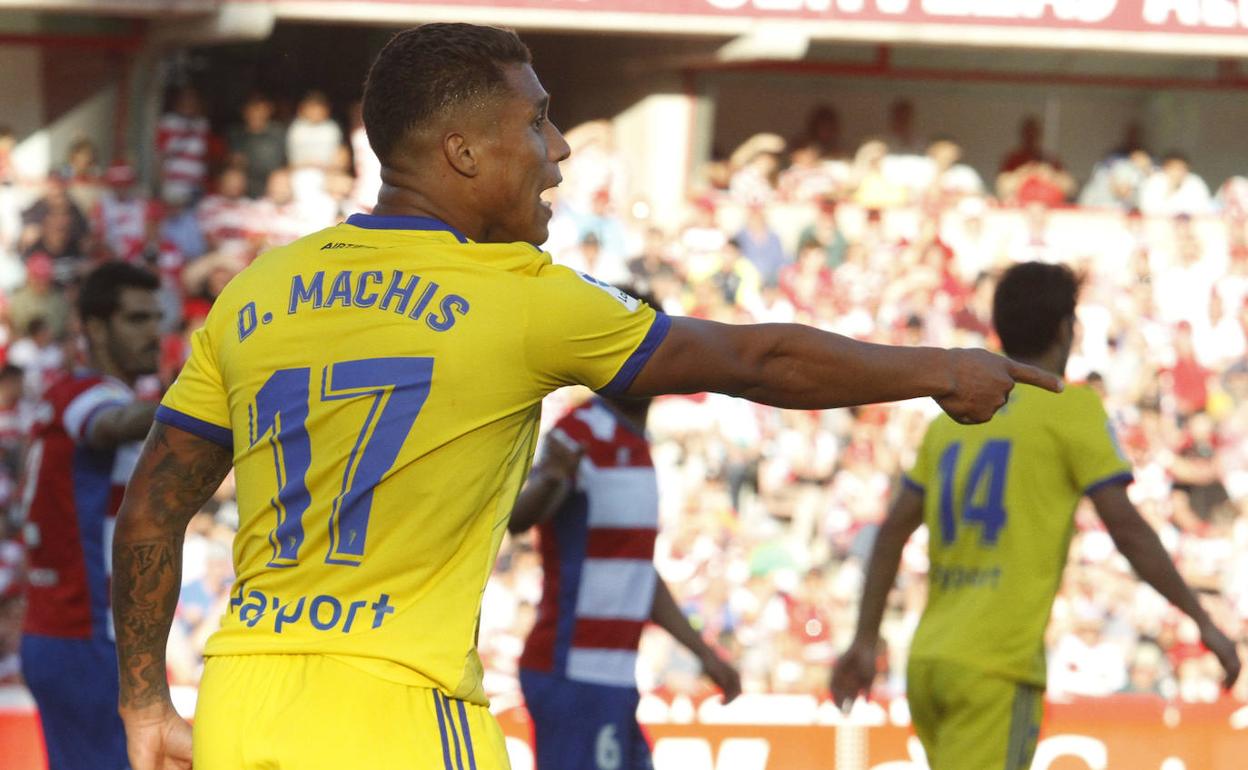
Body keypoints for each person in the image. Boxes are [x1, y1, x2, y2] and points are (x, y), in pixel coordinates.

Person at [111, 23, 1060, 770]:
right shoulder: (519, 297)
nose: (559, 148)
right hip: (395, 711)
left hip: (241, 696)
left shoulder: (259, 290)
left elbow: (153, 509)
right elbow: (760, 362)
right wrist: (939, 368)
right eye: (534, 121)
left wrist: (147, 699)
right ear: (463, 153)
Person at [831, 262, 1241, 770]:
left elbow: (892, 530)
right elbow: (1129, 532)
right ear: (1066, 328)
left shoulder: (953, 420)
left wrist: (865, 639)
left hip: (930, 662)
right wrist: (1202, 619)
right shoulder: (1072, 409)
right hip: (997, 669)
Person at [510, 349, 742, 770]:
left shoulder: (636, 445)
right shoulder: (580, 431)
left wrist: (704, 654)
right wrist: (552, 481)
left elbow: (637, 572)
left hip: (611, 678)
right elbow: (519, 518)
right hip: (573, 672)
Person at [17, 262, 162, 770]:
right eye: (137, 319)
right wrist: (202, 401)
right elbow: (110, 425)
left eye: (157, 318)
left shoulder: (70, 395)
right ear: (96, 328)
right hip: (84, 632)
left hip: (69, 632)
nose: (154, 333)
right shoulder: (84, 395)